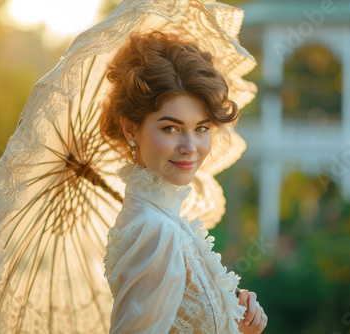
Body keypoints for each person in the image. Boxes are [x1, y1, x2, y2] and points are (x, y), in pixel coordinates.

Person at [100, 31, 268, 333]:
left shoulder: (164, 221)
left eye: (201, 128)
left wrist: (237, 325)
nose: (190, 146)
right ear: (130, 130)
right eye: (170, 128)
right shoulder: (155, 230)